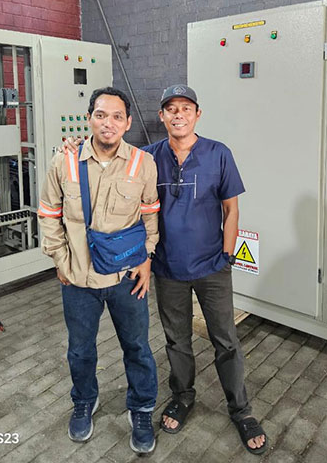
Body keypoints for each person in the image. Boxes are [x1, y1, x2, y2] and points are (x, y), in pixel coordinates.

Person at [65, 84, 267, 456]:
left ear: (197, 114)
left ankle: (241, 410)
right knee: (177, 341)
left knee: (226, 341)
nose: (178, 115)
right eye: (171, 109)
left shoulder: (218, 154)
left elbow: (231, 209)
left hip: (212, 267)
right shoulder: (146, 157)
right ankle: (182, 397)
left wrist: (227, 254)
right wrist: (75, 146)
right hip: (167, 268)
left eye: (186, 108)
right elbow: (108, 159)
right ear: (161, 116)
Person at [38, 86, 160, 454]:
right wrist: (60, 260)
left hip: (126, 278)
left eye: (117, 116)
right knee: (80, 351)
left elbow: (150, 214)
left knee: (137, 348)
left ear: (128, 122)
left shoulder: (142, 163)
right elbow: (49, 213)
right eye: (101, 115)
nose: (109, 123)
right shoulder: (65, 161)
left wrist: (146, 259)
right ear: (89, 118)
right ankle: (84, 402)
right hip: (78, 279)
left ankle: (141, 409)